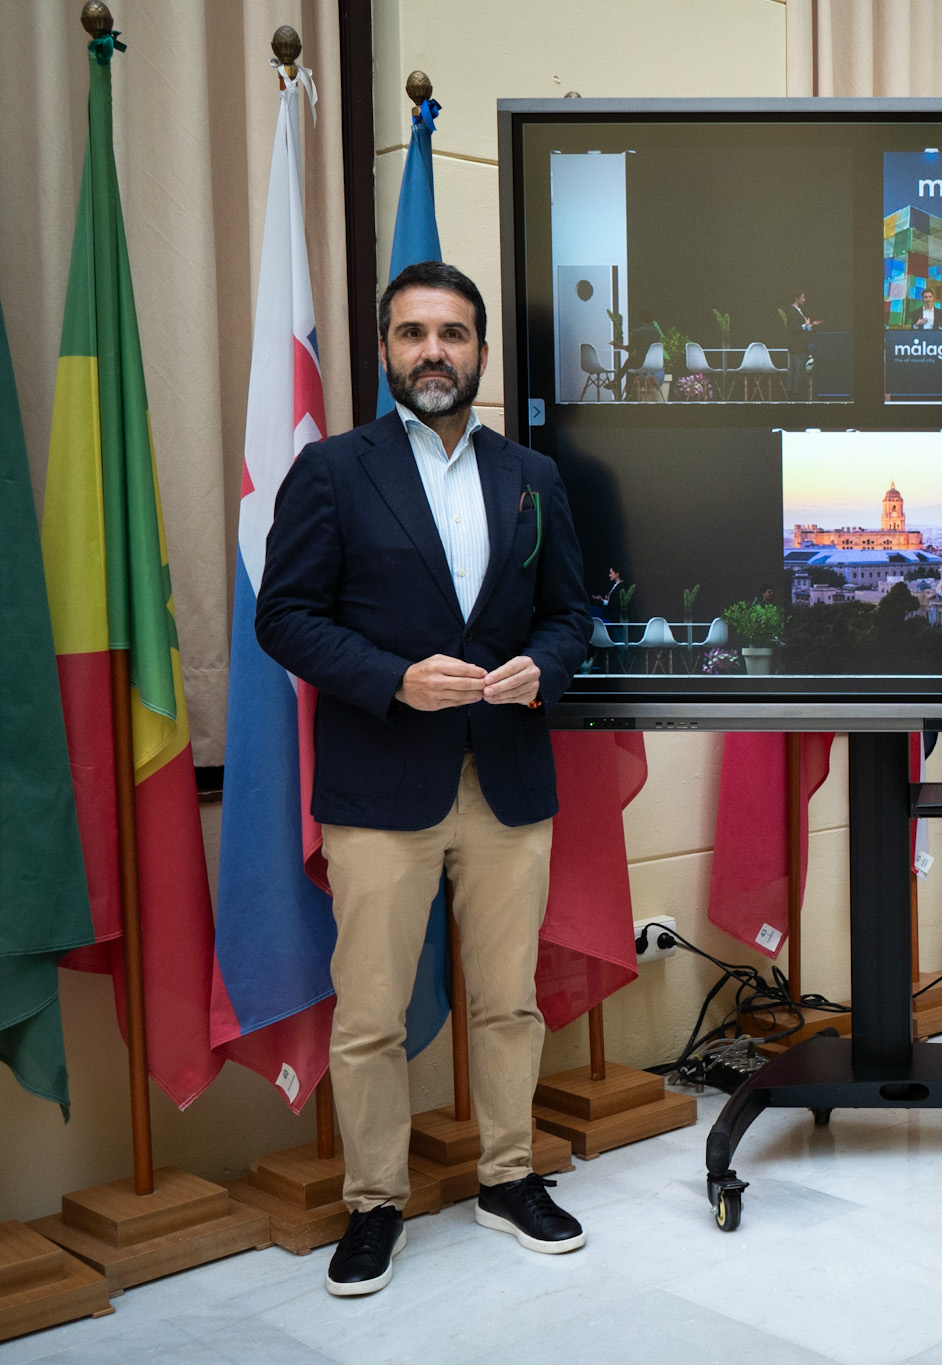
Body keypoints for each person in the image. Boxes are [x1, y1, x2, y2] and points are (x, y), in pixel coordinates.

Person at [255, 260, 591, 1298]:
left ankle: (507, 1177)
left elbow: (572, 613)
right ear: (388, 351)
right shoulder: (332, 472)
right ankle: (374, 1202)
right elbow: (285, 618)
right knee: (369, 1016)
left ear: (481, 351)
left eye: (451, 333)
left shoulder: (532, 476)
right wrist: (394, 679)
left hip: (506, 779)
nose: (432, 351)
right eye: (412, 334)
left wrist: (549, 664)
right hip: (379, 787)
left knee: (508, 1003)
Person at [786, 289, 820, 400]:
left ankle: (792, 392)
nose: (804, 299)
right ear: (797, 298)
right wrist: (805, 325)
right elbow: (792, 329)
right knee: (797, 369)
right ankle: (794, 393)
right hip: (797, 345)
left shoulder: (798, 310)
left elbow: (802, 327)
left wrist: (810, 325)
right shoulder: (792, 311)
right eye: (803, 297)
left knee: (795, 369)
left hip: (799, 344)